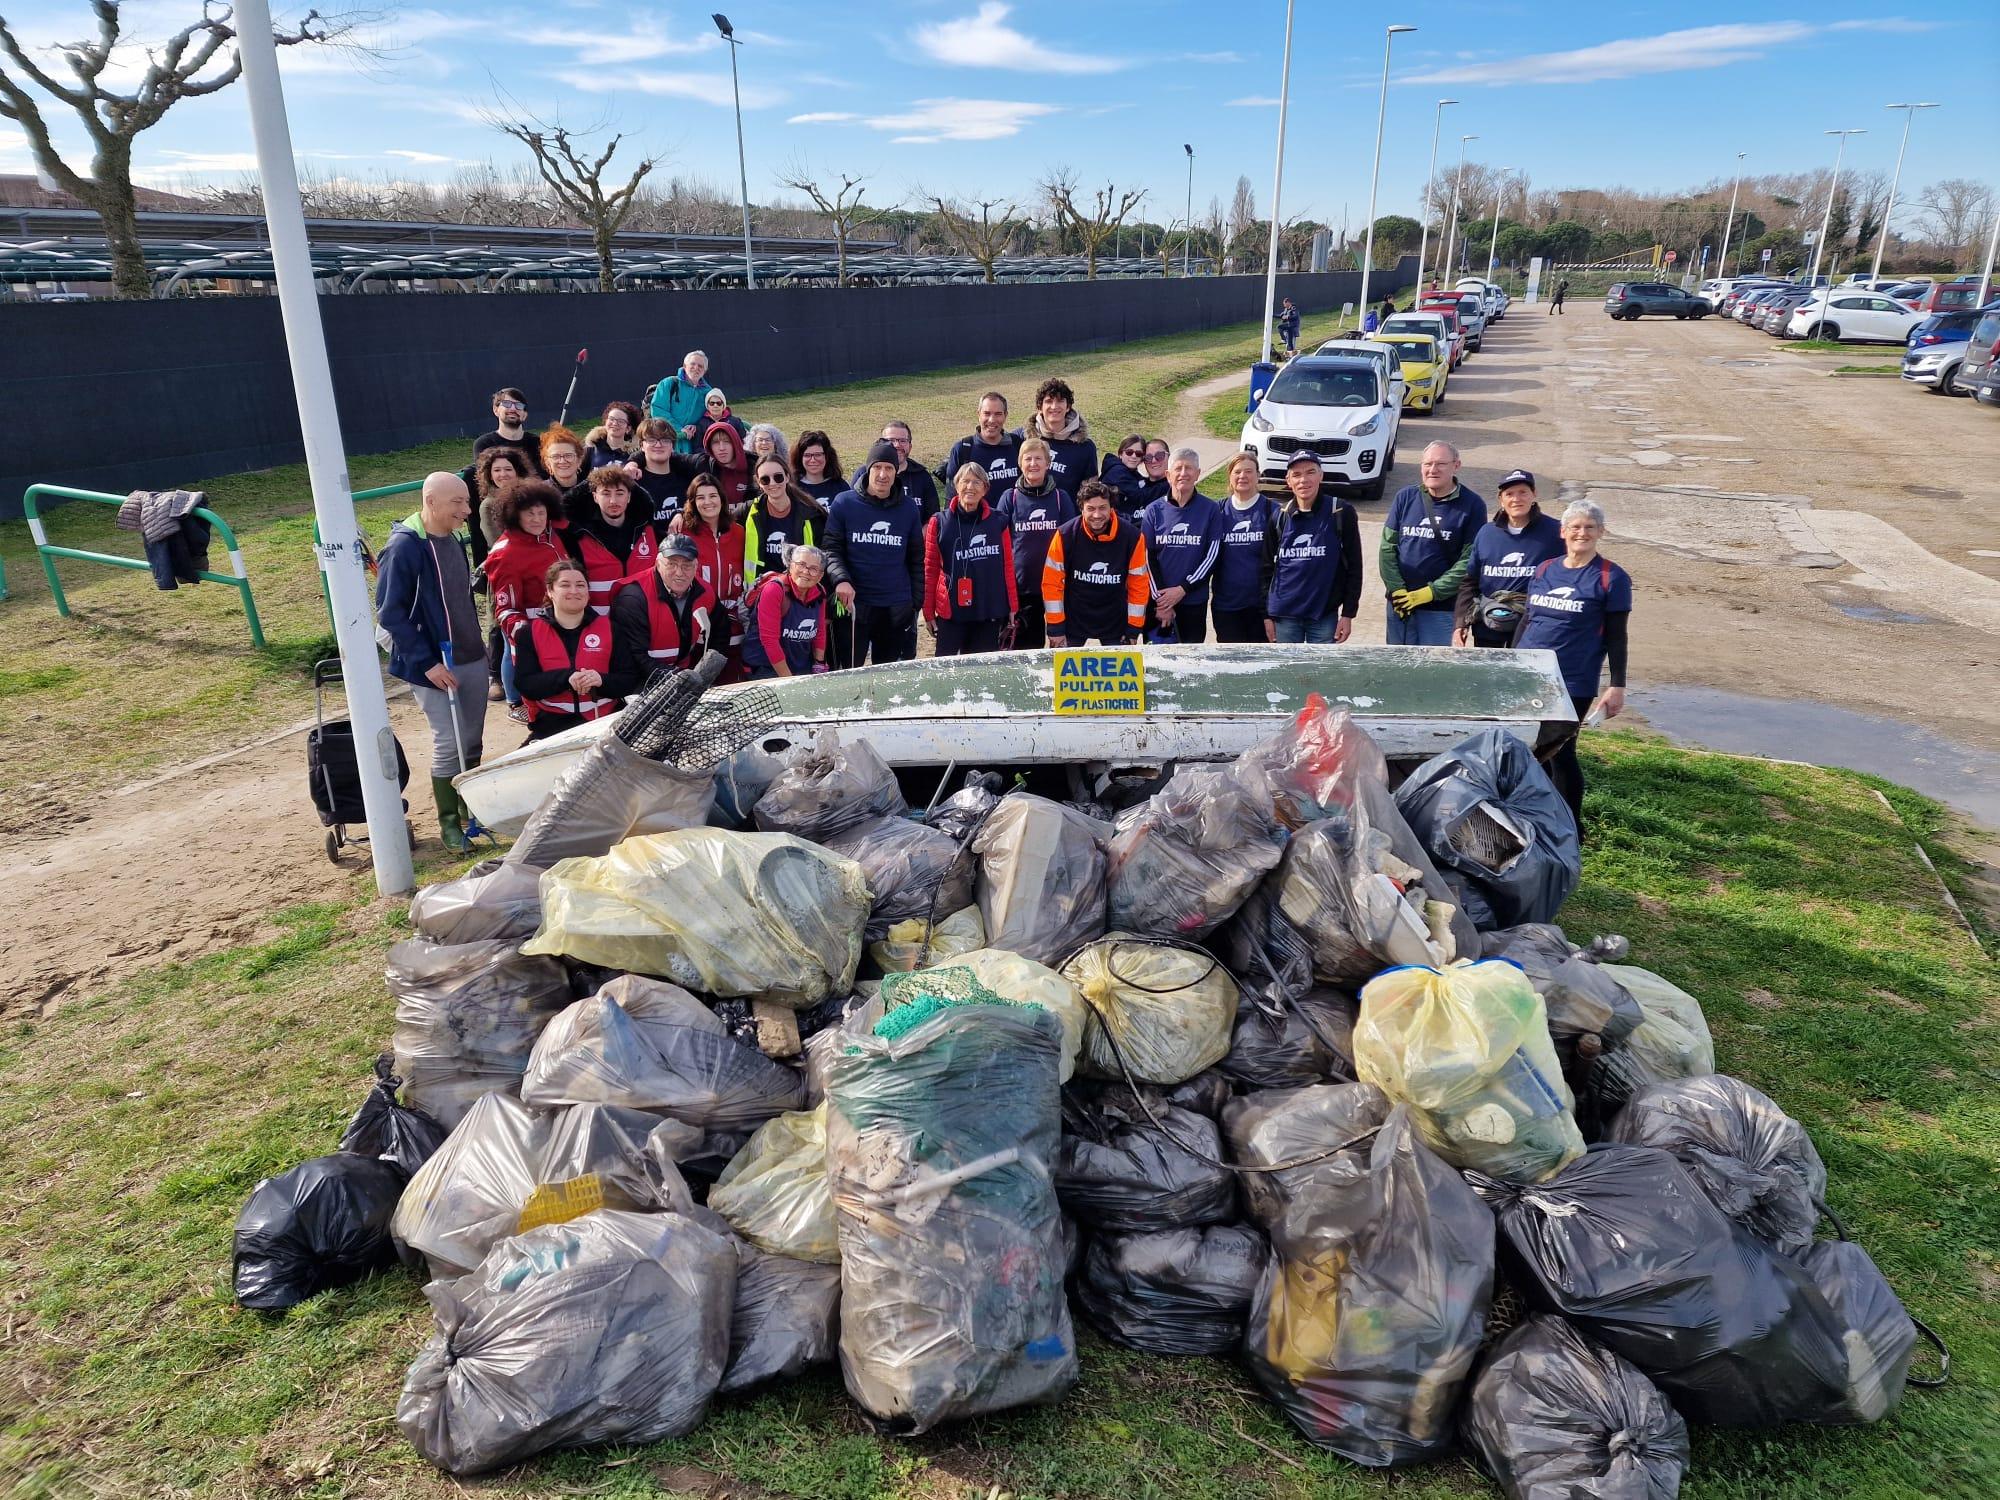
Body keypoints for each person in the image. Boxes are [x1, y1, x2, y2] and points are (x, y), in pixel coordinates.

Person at [374, 471, 488, 852]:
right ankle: (449, 824)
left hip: (470, 653)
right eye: (457, 503)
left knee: (471, 739)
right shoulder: (405, 547)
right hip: (435, 663)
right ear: (431, 501)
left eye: (467, 502)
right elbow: (390, 614)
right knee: (448, 742)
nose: (466, 510)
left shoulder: (452, 537)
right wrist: (426, 663)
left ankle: (469, 806)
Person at [1511, 499, 1631, 832]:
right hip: (1529, 673)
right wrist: (1512, 660)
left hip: (1573, 681)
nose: (1582, 533)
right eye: (1575, 527)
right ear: (1563, 532)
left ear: (1601, 532)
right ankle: (1535, 820)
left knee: (1560, 753)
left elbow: (1617, 636)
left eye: (1589, 527)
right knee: (1526, 750)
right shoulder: (1546, 569)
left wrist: (1617, 684)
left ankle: (1571, 830)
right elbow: (1527, 620)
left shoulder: (1610, 577)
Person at [824, 439, 924, 666]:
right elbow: (831, 548)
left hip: (894, 608)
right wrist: (840, 579)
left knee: (887, 676)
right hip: (854, 607)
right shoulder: (845, 503)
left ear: (896, 472)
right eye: (877, 467)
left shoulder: (908, 509)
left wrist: (915, 603)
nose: (882, 474)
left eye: (889, 468)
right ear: (868, 469)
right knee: (848, 673)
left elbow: (916, 558)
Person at [514, 558, 634, 740]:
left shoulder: (611, 628)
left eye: (580, 585)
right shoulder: (528, 633)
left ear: (587, 590)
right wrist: (566, 678)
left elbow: (629, 679)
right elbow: (526, 685)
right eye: (565, 585)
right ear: (550, 591)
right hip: (553, 726)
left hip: (605, 724)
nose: (574, 591)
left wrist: (601, 680)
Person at [1381, 441, 1487, 645]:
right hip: (1400, 607)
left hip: (1440, 611)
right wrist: (1397, 589)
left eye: (1440, 464)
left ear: (1456, 465)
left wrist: (1431, 592)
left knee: (1433, 669)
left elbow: (1468, 561)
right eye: (1427, 464)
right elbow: (1387, 548)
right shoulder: (1405, 497)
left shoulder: (1473, 505)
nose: (1432, 470)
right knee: (1397, 668)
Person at [483, 480, 566, 724]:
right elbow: (505, 606)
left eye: (541, 513)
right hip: (531, 625)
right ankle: (515, 702)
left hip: (558, 621)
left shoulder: (550, 535)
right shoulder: (505, 552)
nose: (537, 519)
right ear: (514, 514)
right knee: (512, 653)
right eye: (529, 513)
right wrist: (524, 631)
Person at [1456, 468, 1564, 648]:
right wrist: (1461, 623)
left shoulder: (1555, 532)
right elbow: (1469, 582)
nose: (1516, 499)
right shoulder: (1486, 533)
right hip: (1489, 626)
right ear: (1501, 499)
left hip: (1532, 629)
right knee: (1490, 675)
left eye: (1523, 492)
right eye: (1509, 494)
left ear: (1534, 494)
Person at [1266, 451, 1363, 644]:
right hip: (1285, 617)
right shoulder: (1279, 517)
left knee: (1322, 672)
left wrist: (1348, 613)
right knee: (1287, 670)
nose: (1304, 480)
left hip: (1324, 615)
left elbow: (1355, 566)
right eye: (1296, 475)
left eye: (1310, 472)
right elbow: (1266, 569)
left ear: (1321, 475)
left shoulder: (1340, 512)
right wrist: (1266, 616)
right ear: (1288, 480)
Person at [923, 464, 1018, 656]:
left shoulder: (998, 521)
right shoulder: (939, 522)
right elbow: (930, 569)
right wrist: (927, 612)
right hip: (951, 611)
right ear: (956, 485)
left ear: (985, 488)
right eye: (965, 481)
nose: (970, 487)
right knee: (946, 670)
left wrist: (1013, 606)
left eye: (977, 482)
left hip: (987, 609)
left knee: (982, 673)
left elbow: (1007, 566)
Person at [1043, 478, 1148, 648]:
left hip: (1115, 622)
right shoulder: (1064, 535)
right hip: (1073, 620)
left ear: (1111, 508)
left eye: (1102, 508)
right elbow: (1052, 583)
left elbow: (1139, 584)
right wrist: (1055, 628)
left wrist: (1133, 628)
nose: (1097, 515)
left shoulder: (1133, 537)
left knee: (1118, 676)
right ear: (1081, 509)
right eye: (1090, 509)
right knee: (1064, 675)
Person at [994, 436, 1077, 650]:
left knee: (1059, 646)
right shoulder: (1009, 498)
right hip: (1022, 588)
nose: (1033, 464)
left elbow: (1071, 542)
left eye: (1038, 459)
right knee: (1025, 649)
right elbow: (999, 542)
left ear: (1048, 463)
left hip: (1055, 586)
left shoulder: (1061, 498)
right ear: (1020, 463)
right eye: (1028, 459)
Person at [1141, 448, 1222, 643]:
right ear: (1168, 475)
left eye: (1189, 468)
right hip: (1158, 604)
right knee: (1155, 663)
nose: (1183, 473)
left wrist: (1183, 589)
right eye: (1178, 468)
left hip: (1193, 601)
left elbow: (1212, 555)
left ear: (1198, 473)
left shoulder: (1210, 509)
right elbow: (1146, 556)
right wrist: (1161, 602)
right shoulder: (1154, 511)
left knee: (1191, 663)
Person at [611, 531, 713, 680]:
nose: (679, 573)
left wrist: (703, 674)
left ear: (696, 566)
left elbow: (719, 634)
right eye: (671, 564)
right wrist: (678, 678)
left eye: (687, 566)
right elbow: (634, 656)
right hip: (639, 682)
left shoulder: (704, 591)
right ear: (658, 564)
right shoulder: (632, 598)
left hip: (680, 675)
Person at [565, 465, 658, 616]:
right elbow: (564, 504)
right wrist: (592, 478)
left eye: (620, 493)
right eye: (606, 493)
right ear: (595, 497)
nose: (613, 501)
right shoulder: (580, 534)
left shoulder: (647, 530)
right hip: (597, 625)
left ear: (629, 497)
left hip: (643, 621)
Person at [677, 473, 747, 666]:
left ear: (722, 499)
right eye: (700, 497)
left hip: (735, 629)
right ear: (692, 502)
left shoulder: (739, 532)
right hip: (697, 629)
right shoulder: (683, 533)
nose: (707, 502)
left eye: (712, 495)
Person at [1210, 452, 1278, 643]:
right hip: (1226, 606)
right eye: (1237, 472)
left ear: (1258, 475)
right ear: (1230, 477)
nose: (1243, 476)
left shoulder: (1272, 511)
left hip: (1261, 607)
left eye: (1249, 471)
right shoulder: (1217, 511)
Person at [741, 544, 830, 679]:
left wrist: (819, 664)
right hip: (765, 667)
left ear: (820, 575)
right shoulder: (774, 590)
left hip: (799, 665)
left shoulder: (819, 592)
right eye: (801, 564)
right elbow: (769, 640)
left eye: (813, 569)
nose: (806, 571)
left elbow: (820, 631)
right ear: (791, 565)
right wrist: (788, 680)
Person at [743, 457, 827, 583]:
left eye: (778, 477)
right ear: (758, 482)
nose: (772, 483)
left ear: (787, 477)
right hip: (762, 590)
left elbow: (826, 556)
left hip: (800, 592)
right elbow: (721, 519)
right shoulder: (751, 510)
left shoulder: (811, 514)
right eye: (765, 480)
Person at [852, 419, 940, 522]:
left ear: (910, 446)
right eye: (891, 440)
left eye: (903, 440)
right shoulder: (863, 474)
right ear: (880, 444)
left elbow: (932, 518)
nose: (897, 445)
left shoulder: (922, 476)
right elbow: (849, 511)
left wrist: (915, 535)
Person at [1027, 377, 1098, 495]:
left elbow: (1090, 494)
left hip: (1069, 512)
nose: (1054, 406)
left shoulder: (1085, 446)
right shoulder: (1024, 438)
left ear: (1068, 407)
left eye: (1060, 401)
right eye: (1049, 401)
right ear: (1039, 407)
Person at [942, 392, 1022, 490]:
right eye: (987, 413)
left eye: (998, 414)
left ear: (1005, 415)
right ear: (979, 414)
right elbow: (951, 496)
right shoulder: (963, 449)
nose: (992, 420)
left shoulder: (1017, 444)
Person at [648, 349, 712, 452]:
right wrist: (679, 429)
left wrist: (697, 427)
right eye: (693, 364)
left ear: (705, 370)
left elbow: (711, 416)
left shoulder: (708, 392)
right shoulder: (668, 383)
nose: (696, 368)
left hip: (693, 445)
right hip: (667, 442)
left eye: (700, 366)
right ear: (685, 366)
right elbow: (658, 409)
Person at [472, 388, 544, 477]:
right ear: (496, 410)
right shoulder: (484, 444)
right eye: (507, 404)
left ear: (525, 415)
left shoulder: (538, 443)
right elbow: (485, 480)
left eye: (519, 405)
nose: (513, 409)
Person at [626, 417, 687, 514]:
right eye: (651, 440)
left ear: (672, 446)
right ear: (642, 445)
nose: (658, 445)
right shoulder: (633, 483)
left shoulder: (687, 478)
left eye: (665, 440)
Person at [1100, 434, 1168, 514]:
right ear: (1121, 454)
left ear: (1142, 458)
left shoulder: (1130, 472)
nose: (1133, 456)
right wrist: (1168, 483)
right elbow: (1140, 496)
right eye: (1129, 452)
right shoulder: (1117, 472)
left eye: (1138, 454)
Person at [790, 429, 846, 504]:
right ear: (800, 458)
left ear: (827, 456)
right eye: (807, 455)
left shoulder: (841, 487)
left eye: (818, 455)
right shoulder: (792, 489)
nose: (813, 460)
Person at [539, 425, 590, 508]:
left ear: (579, 460)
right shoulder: (540, 493)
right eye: (555, 456)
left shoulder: (591, 490)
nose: (562, 461)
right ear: (547, 463)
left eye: (568, 455)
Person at [586, 400, 642, 470]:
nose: (615, 423)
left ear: (628, 428)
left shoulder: (635, 454)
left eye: (621, 421)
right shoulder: (591, 448)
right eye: (611, 419)